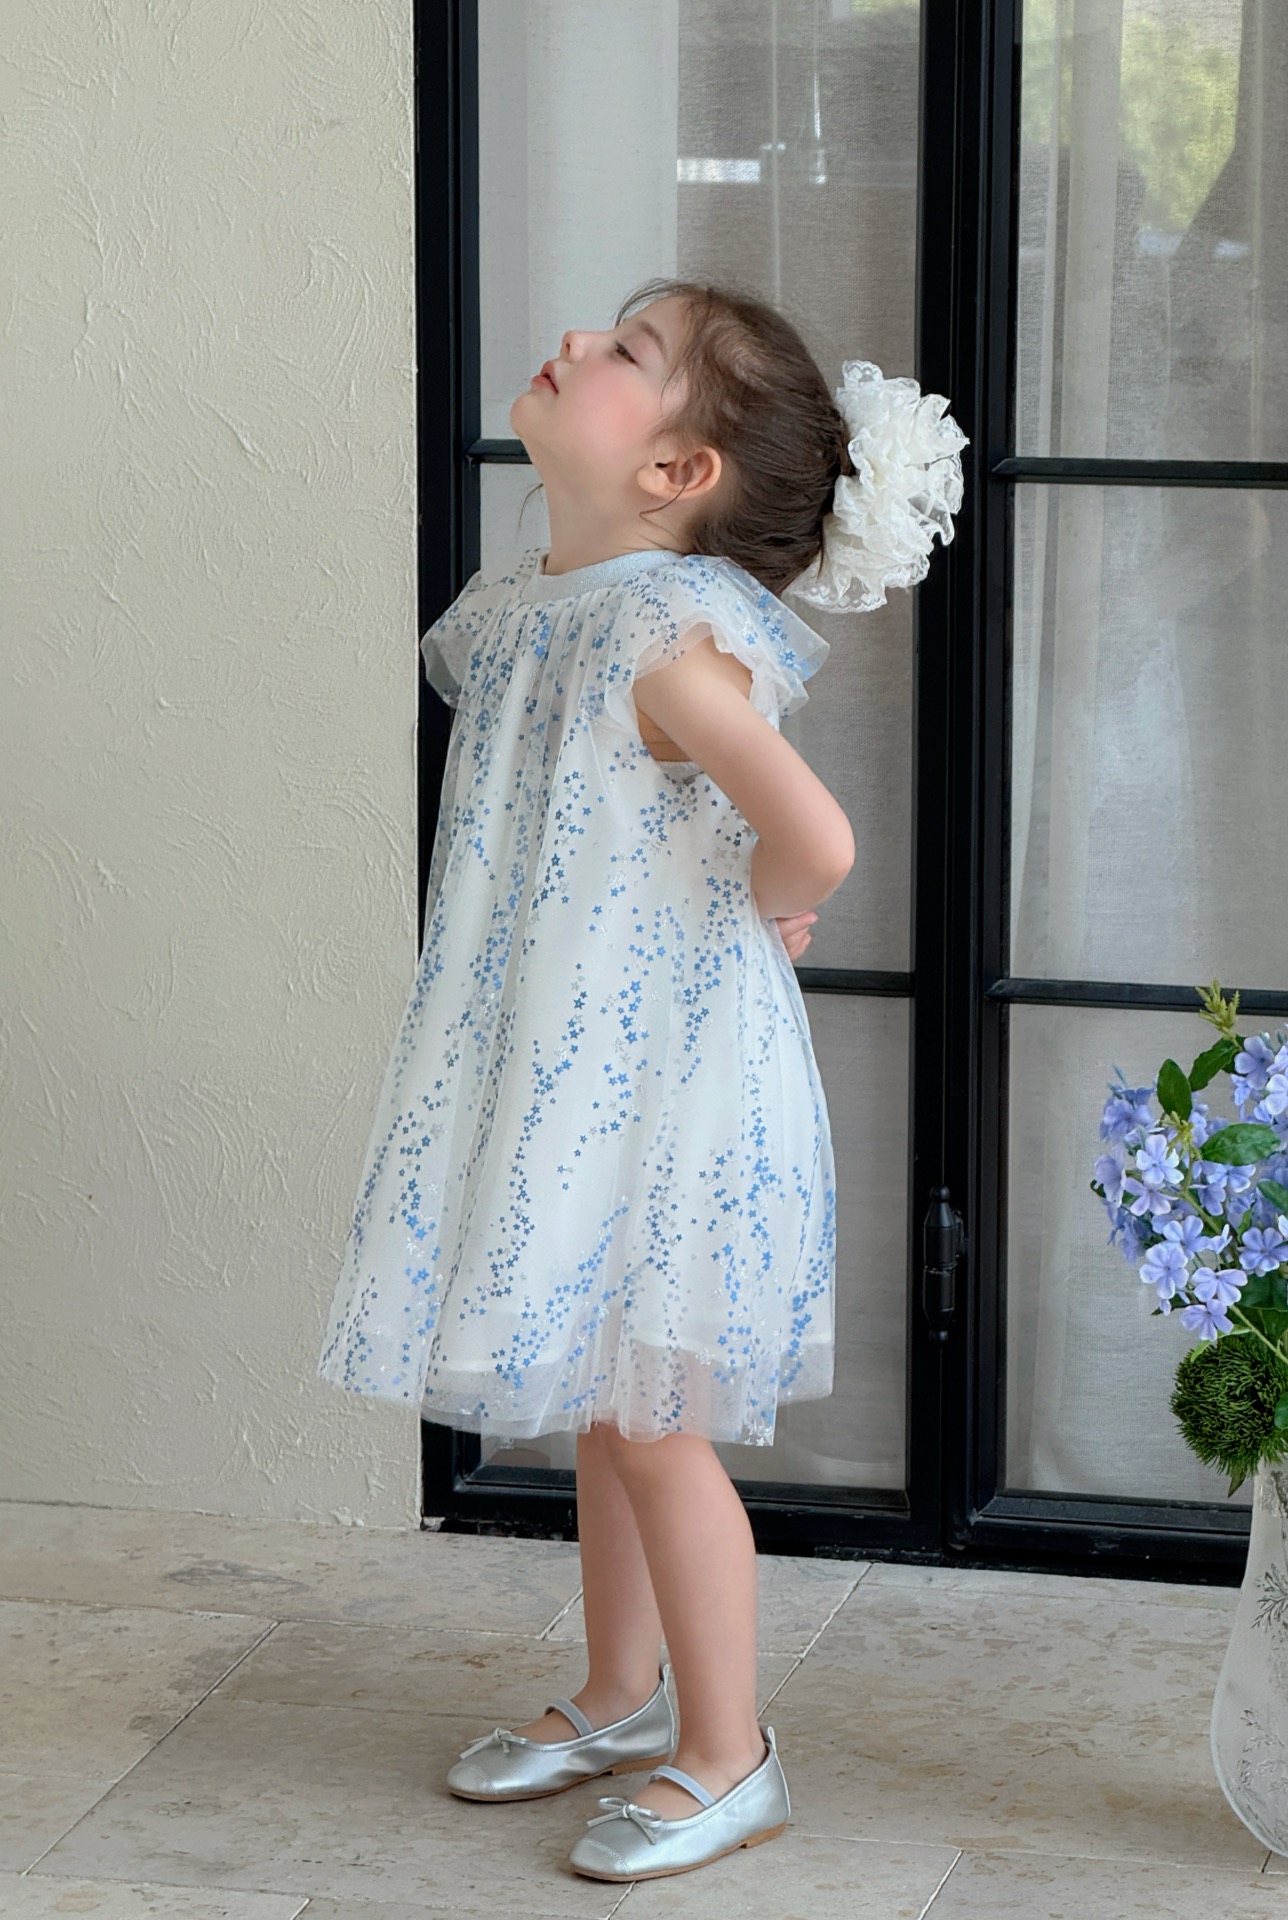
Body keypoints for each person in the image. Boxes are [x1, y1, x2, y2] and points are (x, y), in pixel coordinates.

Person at [316, 275, 967, 1882]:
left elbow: (818, 837)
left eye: (628, 352)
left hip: (666, 1079)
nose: (577, 345)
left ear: (677, 472)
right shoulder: (540, 607)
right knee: (610, 1405)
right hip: (576, 1061)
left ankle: (732, 1754)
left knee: (657, 1417)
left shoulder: (666, 646)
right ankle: (621, 1692)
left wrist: (759, 910)